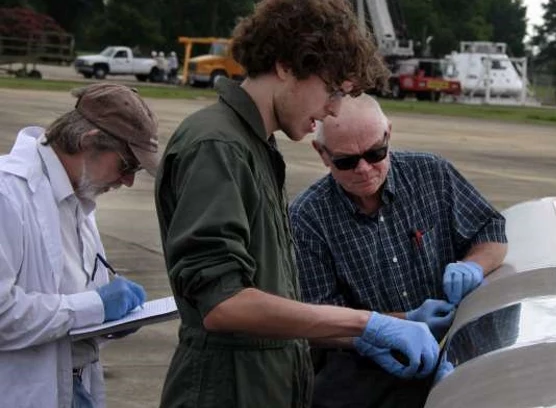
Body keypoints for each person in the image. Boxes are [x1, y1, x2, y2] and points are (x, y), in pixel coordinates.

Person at [154, 1, 440, 407]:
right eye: (332, 90)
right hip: (229, 392)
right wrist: (366, 322)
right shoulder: (218, 146)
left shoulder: (254, 146)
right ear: (287, 66)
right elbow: (224, 303)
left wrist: (363, 335)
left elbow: (270, 302)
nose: (334, 109)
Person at [289, 94, 508, 408]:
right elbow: (317, 321)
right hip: (363, 376)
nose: (364, 169)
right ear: (322, 154)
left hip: (446, 358)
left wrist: (474, 265)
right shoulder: (307, 219)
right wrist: (396, 324)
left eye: (376, 153)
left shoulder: (432, 175)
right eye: (346, 161)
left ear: (388, 134)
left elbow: (492, 231)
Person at [0, 83, 160, 408]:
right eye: (127, 165)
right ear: (88, 143)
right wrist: (95, 307)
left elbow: (72, 301)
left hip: (72, 386)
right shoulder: (7, 196)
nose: (128, 181)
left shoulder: (78, 199)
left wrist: (114, 321)